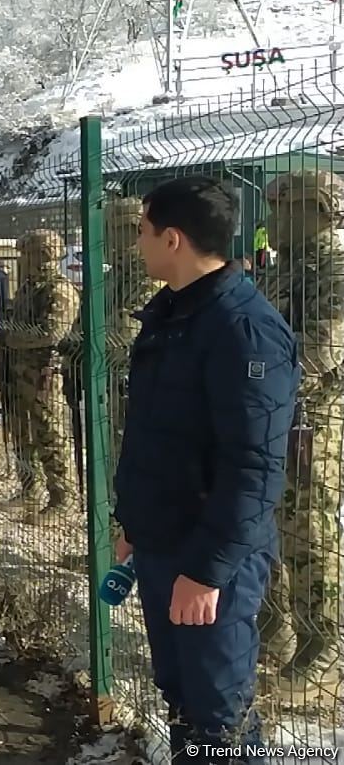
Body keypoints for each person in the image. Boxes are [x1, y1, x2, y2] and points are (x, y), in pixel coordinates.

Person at [114, 175, 298, 760]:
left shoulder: (242, 329)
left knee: (220, 710)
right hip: (166, 541)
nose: (135, 244)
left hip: (208, 555)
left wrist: (209, 570)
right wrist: (135, 525)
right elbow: (156, 438)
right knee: (182, 696)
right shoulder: (174, 315)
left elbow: (255, 467)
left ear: (173, 240)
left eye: (141, 232)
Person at [255, 171, 344, 684]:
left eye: (283, 209)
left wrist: (251, 375)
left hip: (312, 422)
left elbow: (320, 352)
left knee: (308, 529)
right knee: (271, 525)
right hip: (271, 417)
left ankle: (323, 638)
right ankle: (276, 624)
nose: (273, 219)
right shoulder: (286, 267)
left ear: (315, 210)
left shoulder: (333, 267)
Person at [0, 230, 80, 519]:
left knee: (52, 436)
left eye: (29, 255)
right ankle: (30, 490)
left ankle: (63, 500)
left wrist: (12, 338)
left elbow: (52, 332)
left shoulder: (59, 289)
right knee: (23, 435)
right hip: (20, 372)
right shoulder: (27, 288)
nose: (25, 261)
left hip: (46, 377)